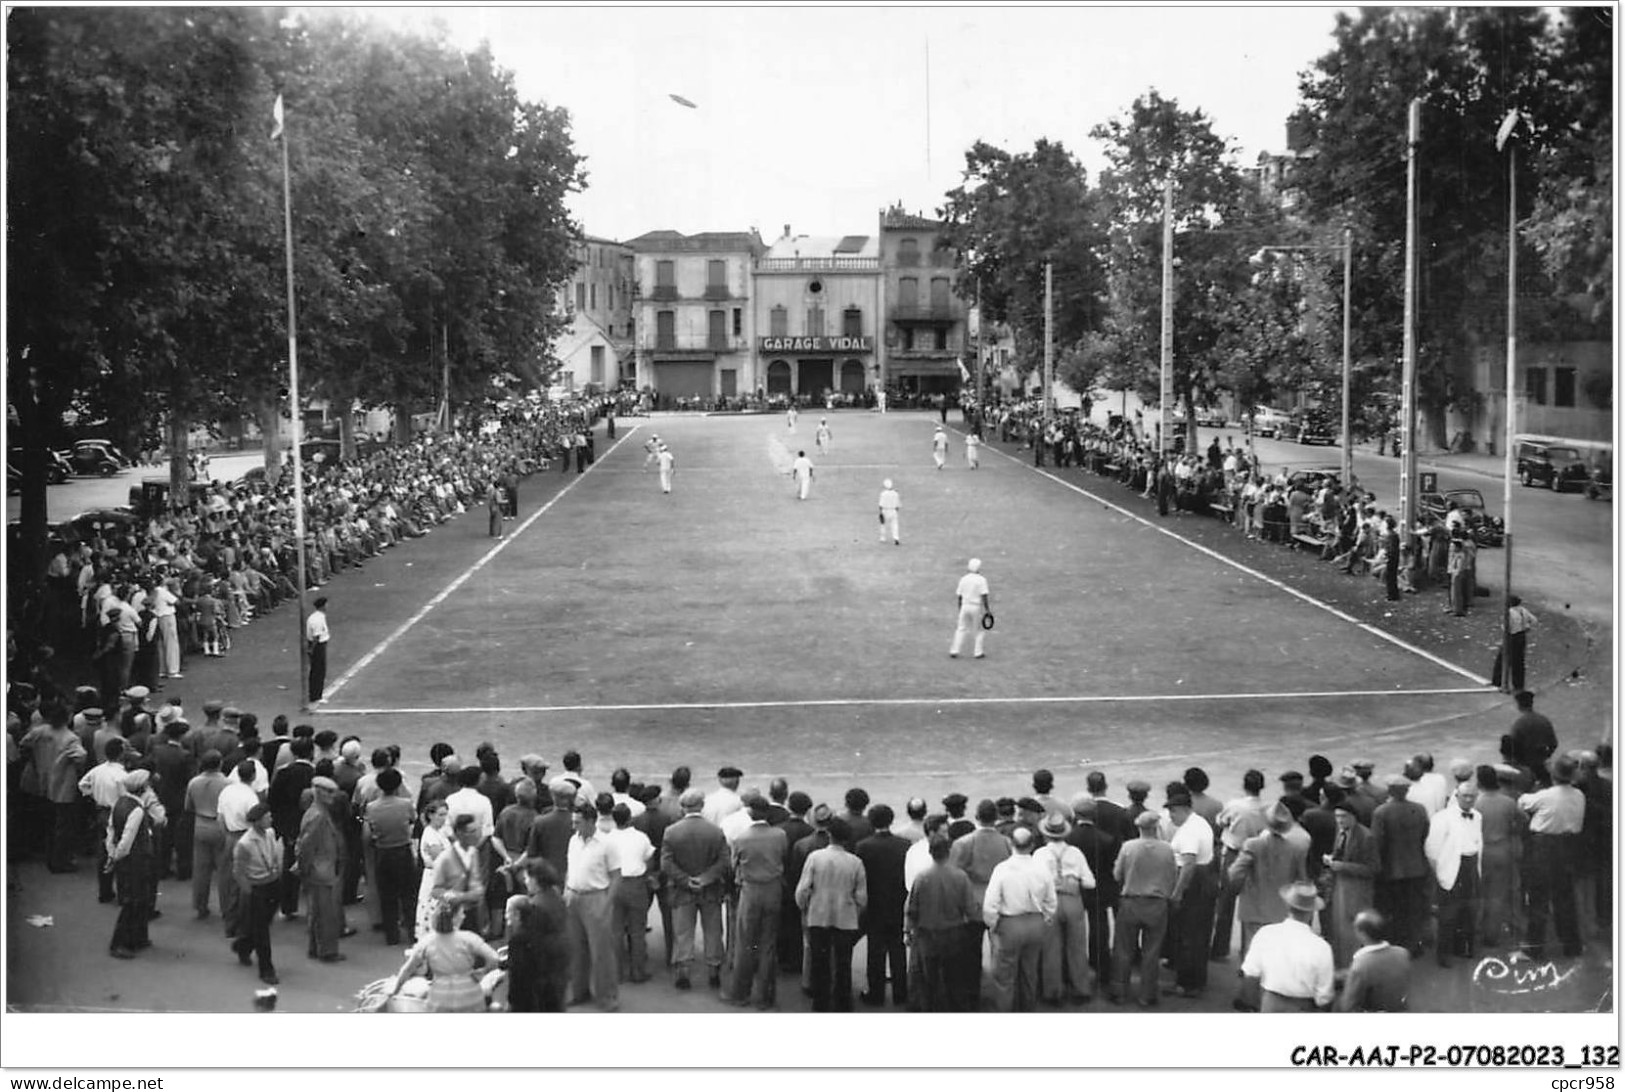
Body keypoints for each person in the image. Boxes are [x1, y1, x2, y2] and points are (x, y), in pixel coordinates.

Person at [1518, 754, 1585, 960]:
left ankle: (1533, 948)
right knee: (1565, 898)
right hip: (1568, 847)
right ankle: (1572, 945)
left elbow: (1523, 802)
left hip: (1544, 847)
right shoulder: (1579, 795)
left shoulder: (1546, 795)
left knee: (1538, 898)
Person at [797, 816, 867, 1012]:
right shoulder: (856, 863)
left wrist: (804, 908)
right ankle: (843, 1003)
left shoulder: (815, 857)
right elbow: (862, 898)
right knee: (843, 963)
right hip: (845, 917)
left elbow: (802, 890)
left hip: (819, 915)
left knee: (820, 962)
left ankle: (821, 1002)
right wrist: (856, 914)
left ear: (829, 835)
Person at [661, 787, 728, 990]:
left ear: (683, 807)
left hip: (682, 891)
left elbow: (666, 864)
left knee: (683, 932)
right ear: (702, 805)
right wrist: (705, 878)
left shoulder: (671, 832)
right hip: (710, 890)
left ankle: (684, 972)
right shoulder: (715, 831)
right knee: (713, 931)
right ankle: (714, 970)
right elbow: (724, 861)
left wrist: (686, 880)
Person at [906, 832, 980, 1012]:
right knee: (954, 980)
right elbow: (970, 909)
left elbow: (912, 909)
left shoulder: (921, 877)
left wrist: (908, 931)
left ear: (930, 852)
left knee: (928, 982)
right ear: (948, 852)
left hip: (927, 935)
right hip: (954, 934)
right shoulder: (960, 876)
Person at [727, 794, 788, 1009]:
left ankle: (740, 994)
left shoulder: (741, 838)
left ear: (751, 812)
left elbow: (734, 866)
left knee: (745, 944)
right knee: (768, 944)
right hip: (773, 890)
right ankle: (764, 997)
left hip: (750, 890)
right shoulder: (780, 835)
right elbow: (783, 858)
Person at [1228, 802, 1309, 962]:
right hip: (1281, 911)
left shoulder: (1253, 844)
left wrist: (1239, 889)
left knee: (1251, 956)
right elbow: (1302, 881)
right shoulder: (1295, 849)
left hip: (1253, 908)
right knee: (1275, 957)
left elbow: (1235, 873)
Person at [1111, 811, 1175, 1006]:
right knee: (1152, 951)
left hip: (1131, 901)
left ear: (1138, 827)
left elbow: (1117, 874)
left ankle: (1119, 991)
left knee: (1123, 949)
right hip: (1156, 903)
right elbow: (1173, 875)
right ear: (1156, 828)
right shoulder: (1167, 849)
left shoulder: (1128, 847)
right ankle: (1147, 994)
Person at [1239, 882, 1335, 1012]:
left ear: (1287, 906)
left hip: (1270, 1003)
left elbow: (1250, 973)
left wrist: (1254, 1004)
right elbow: (1324, 996)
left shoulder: (1266, 934)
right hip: (1303, 1007)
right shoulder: (1322, 947)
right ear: (1312, 912)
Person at [389, 905, 501, 1012]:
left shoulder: (427, 941)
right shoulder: (469, 938)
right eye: (461, 913)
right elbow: (495, 959)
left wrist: (395, 990)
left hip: (440, 999)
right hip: (470, 997)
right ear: (454, 917)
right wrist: (482, 971)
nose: (464, 916)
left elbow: (407, 969)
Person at [1036, 813, 1096, 1003]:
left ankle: (1053, 992)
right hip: (1072, 901)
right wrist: (1072, 879)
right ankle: (1081, 989)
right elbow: (1090, 883)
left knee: (1051, 948)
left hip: (1050, 902)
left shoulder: (1040, 854)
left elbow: (1036, 883)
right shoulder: (1075, 853)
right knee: (1077, 947)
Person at [855, 803, 909, 1008]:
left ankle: (875, 993)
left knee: (875, 951)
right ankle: (900, 992)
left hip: (874, 904)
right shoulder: (904, 845)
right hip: (897, 903)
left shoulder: (863, 846)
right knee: (898, 950)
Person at [1165, 786, 1216, 999]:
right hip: (1204, 880)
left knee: (1189, 934)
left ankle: (1187, 984)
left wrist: (1177, 893)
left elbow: (1188, 865)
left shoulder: (1188, 832)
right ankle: (1196, 979)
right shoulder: (1199, 822)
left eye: (1173, 812)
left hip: (1194, 884)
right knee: (1198, 934)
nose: (1171, 816)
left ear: (1183, 809)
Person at [107, 768, 164, 959]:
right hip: (135, 861)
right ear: (143, 788)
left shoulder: (119, 803)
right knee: (133, 901)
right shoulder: (137, 810)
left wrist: (111, 854)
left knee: (138, 900)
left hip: (127, 861)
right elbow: (127, 839)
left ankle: (138, 937)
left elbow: (111, 832)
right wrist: (118, 855)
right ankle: (120, 942)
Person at [1371, 776, 1431, 957]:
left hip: (1392, 869)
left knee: (1393, 910)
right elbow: (1424, 834)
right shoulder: (1419, 809)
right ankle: (1414, 945)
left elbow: (1378, 843)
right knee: (1413, 909)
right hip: (1417, 866)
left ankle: (1396, 945)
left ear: (1390, 791)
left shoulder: (1381, 812)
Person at [1426, 781, 1483, 967]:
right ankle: (1444, 955)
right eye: (1464, 795)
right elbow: (1432, 849)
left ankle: (1464, 948)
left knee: (1468, 910)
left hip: (1471, 866)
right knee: (1448, 914)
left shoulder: (1477, 816)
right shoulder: (1442, 818)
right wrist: (1439, 873)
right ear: (1456, 796)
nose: (1468, 799)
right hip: (1451, 867)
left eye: (1472, 796)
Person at [504, 858, 570, 1011]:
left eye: (527, 878)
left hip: (542, 972)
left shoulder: (535, 907)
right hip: (560, 962)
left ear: (535, 879)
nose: (526, 882)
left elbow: (528, 945)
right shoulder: (556, 896)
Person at [364, 767, 418, 947]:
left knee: (387, 896)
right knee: (408, 894)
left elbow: (368, 828)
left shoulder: (372, 808)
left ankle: (391, 935)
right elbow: (412, 820)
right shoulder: (406, 804)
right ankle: (412, 930)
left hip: (383, 851)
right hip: (402, 849)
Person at [296, 776, 348, 962]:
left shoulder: (318, 812)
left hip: (320, 868)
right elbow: (306, 846)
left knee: (318, 912)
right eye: (329, 792)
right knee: (326, 913)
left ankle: (315, 948)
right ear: (319, 793)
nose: (333, 796)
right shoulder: (318, 816)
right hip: (321, 870)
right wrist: (304, 868)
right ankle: (327, 951)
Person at [1323, 798, 1378, 967]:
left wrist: (1342, 866)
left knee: (1353, 932)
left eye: (1344, 816)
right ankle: (1343, 966)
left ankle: (1354, 968)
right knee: (1339, 931)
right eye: (1337, 816)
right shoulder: (1340, 832)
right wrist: (1332, 860)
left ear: (1354, 816)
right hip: (1340, 888)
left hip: (1357, 891)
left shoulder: (1366, 837)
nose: (1340, 820)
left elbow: (1373, 869)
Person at [231, 802, 283, 984]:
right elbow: (238, 872)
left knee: (264, 923)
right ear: (258, 821)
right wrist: (250, 892)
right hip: (257, 888)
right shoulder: (245, 843)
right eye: (267, 816)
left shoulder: (270, 833)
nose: (271, 818)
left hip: (273, 883)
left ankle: (243, 945)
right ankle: (266, 969)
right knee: (262, 931)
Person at [1335, 909, 1410, 1011]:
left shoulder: (1360, 965)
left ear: (1363, 934)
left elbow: (1348, 1006)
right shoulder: (1403, 953)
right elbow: (1380, 972)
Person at [414, 800, 452, 938]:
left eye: (445, 815)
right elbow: (440, 858)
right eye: (441, 815)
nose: (444, 818)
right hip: (435, 877)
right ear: (431, 815)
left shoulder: (440, 832)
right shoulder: (430, 834)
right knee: (434, 910)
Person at [1508, 690, 1558, 787]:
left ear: (1518, 705)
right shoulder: (1544, 720)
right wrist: (1546, 755)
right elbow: (1554, 743)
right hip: (1542, 764)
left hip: (1524, 765)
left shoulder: (1519, 724)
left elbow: (1513, 747)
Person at [949, 558, 992, 660]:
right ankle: (978, 652)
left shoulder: (964, 579)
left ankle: (954, 650)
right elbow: (984, 595)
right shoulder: (981, 580)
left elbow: (959, 595)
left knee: (961, 628)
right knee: (978, 630)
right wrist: (987, 610)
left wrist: (960, 608)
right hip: (975, 606)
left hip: (965, 605)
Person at [305, 596, 329, 705]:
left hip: (319, 645)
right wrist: (311, 649)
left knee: (318, 670)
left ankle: (316, 694)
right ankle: (315, 695)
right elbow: (316, 637)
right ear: (323, 606)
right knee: (318, 671)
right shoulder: (317, 619)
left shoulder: (318, 616)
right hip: (318, 646)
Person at [878, 479, 901, 546]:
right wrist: (896, 511)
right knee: (895, 525)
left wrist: (880, 512)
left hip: (885, 510)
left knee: (883, 524)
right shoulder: (896, 493)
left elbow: (880, 505)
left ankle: (883, 537)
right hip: (893, 510)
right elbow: (898, 505)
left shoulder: (883, 494)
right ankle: (896, 538)